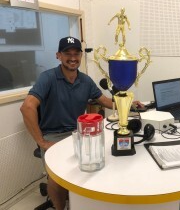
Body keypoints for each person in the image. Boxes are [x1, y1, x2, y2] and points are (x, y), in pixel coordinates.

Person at [20, 36, 144, 210]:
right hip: (53, 136)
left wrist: (128, 103)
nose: (72, 58)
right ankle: (59, 207)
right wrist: (41, 141)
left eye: (76, 53)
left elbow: (105, 101)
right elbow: (27, 108)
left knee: (103, 160)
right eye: (67, 53)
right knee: (57, 176)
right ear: (58, 56)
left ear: (81, 56)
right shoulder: (47, 78)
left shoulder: (85, 80)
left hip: (80, 133)